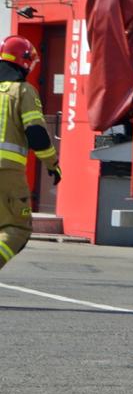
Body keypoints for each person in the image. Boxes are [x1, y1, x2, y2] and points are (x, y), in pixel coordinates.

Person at [0, 36, 55, 271]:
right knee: (18, 229)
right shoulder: (23, 91)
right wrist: (53, 163)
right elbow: (36, 134)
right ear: (24, 62)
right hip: (7, 173)